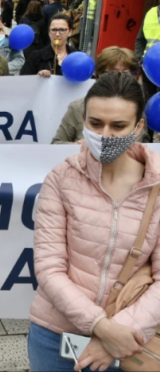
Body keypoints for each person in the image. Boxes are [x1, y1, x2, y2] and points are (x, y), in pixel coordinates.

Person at [29, 71, 160, 372]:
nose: (105, 135)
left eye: (118, 126)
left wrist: (117, 333)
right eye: (95, 123)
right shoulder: (61, 178)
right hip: (54, 336)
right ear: (84, 120)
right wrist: (101, 326)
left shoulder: (157, 186)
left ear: (139, 127)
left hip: (130, 340)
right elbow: (49, 268)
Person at [52, 47, 146, 144]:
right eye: (95, 124)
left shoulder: (137, 108)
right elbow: (56, 143)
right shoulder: (77, 107)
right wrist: (77, 146)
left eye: (119, 126)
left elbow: (144, 143)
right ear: (99, 74)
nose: (117, 77)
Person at [135, 0, 160, 101]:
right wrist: (140, 58)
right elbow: (140, 40)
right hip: (149, 65)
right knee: (148, 98)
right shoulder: (150, 13)